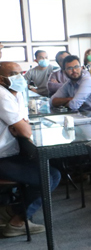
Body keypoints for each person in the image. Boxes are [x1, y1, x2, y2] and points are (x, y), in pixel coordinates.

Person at [0, 62, 61, 238]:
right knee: (47, 177)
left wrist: (19, 126)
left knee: (52, 173)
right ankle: (18, 221)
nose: (19, 77)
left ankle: (12, 211)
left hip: (12, 152)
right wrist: (20, 127)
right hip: (3, 157)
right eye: (13, 74)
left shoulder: (14, 92)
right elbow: (25, 131)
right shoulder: (2, 95)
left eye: (20, 73)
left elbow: (24, 124)